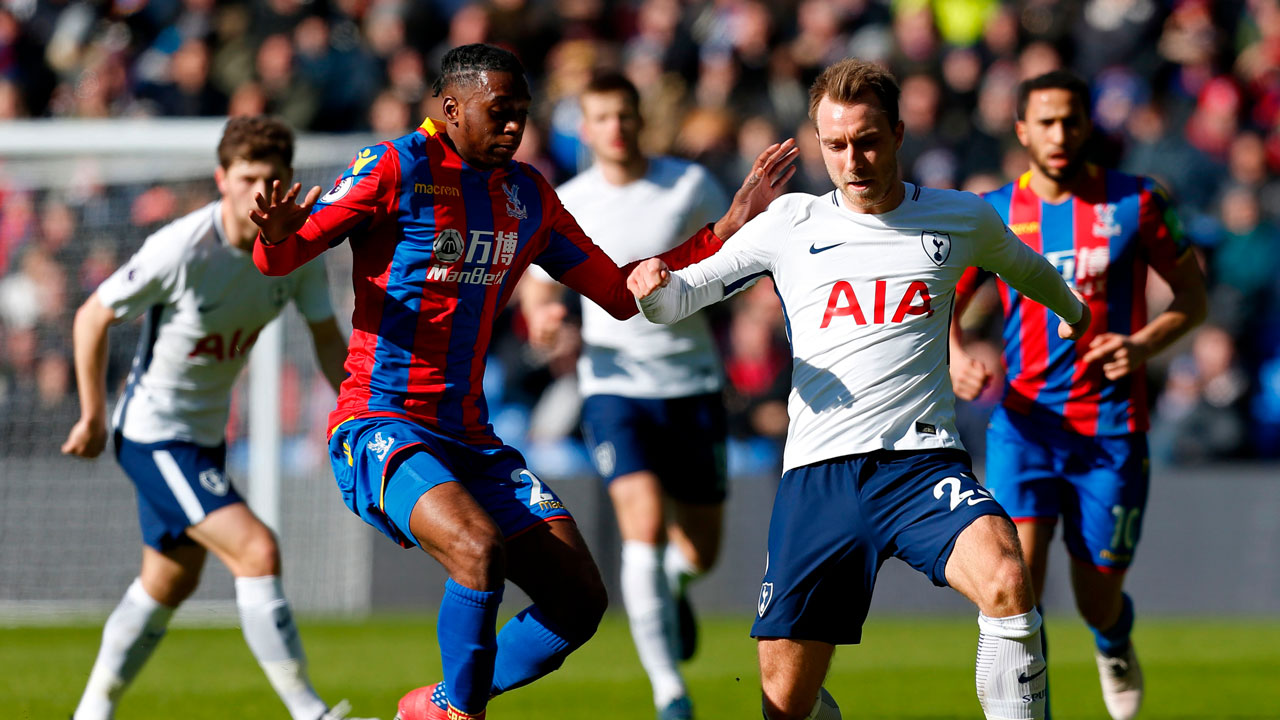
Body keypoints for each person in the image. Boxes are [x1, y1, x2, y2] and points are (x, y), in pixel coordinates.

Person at [248, 43, 796, 720]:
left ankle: (441, 704)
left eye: (523, 115)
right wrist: (275, 238)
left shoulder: (527, 194)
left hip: (469, 437)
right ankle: (461, 715)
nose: (515, 128)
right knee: (478, 551)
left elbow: (620, 293)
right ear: (450, 109)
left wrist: (727, 229)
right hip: (380, 421)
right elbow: (285, 255)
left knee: (579, 602)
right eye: (499, 113)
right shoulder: (397, 167)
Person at [628, 58, 1091, 720]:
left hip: (923, 466)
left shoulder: (961, 216)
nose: (853, 159)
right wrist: (654, 291)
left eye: (868, 140)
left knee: (1008, 579)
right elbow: (685, 296)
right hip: (819, 476)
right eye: (836, 144)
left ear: (899, 133)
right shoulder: (791, 222)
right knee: (785, 703)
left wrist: (1078, 316)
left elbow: (1030, 270)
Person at [62, 116, 366, 720]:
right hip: (152, 434)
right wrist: (93, 416)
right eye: (248, 176)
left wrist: (358, 412)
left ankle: (90, 713)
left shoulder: (295, 253)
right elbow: (91, 317)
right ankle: (310, 712)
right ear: (221, 178)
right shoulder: (181, 249)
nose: (261, 191)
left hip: (203, 439)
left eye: (273, 178)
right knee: (256, 550)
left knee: (166, 583)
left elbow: (330, 340)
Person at [950, 69, 1207, 720]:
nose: (1059, 134)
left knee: (1096, 599)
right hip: (1024, 428)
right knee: (1013, 587)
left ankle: (1113, 640)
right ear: (1021, 130)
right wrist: (955, 357)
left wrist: (1143, 345)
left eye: (1070, 120)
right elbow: (943, 306)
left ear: (1088, 125)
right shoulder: (995, 213)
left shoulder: (1139, 202)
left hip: (1111, 430)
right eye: (1045, 122)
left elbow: (1193, 297)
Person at [520, 72, 731, 720]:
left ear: (642, 121)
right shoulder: (569, 200)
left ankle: (674, 588)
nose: (615, 127)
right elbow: (538, 284)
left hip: (690, 381)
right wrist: (544, 319)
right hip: (613, 386)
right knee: (640, 527)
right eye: (601, 117)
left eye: (624, 115)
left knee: (699, 549)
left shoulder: (689, 186)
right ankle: (670, 691)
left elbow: (734, 256)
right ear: (584, 128)